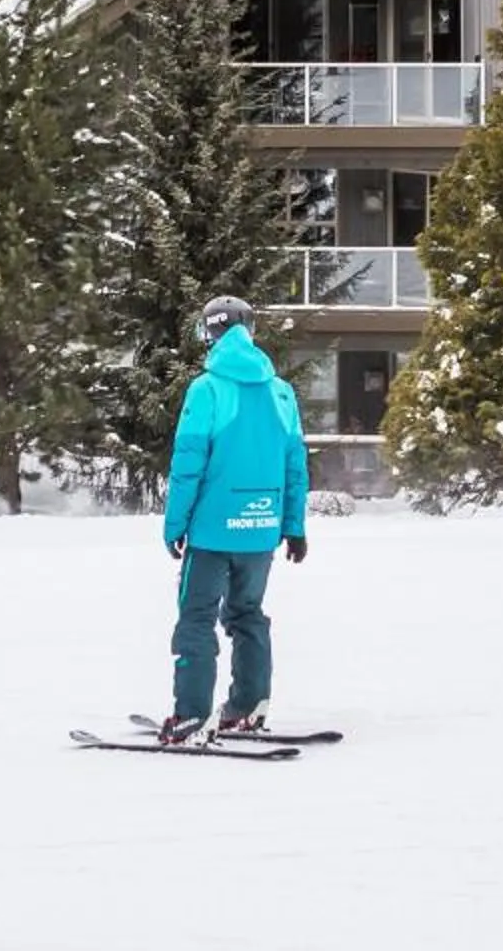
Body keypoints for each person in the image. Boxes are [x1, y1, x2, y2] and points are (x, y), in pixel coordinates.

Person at [158, 295, 309, 743]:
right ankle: (248, 706)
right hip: (260, 528)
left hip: (211, 531)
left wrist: (174, 525)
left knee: (197, 618)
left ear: (211, 332)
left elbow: (188, 464)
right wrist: (294, 525)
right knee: (247, 615)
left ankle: (191, 715)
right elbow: (294, 463)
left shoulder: (206, 389)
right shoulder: (281, 392)